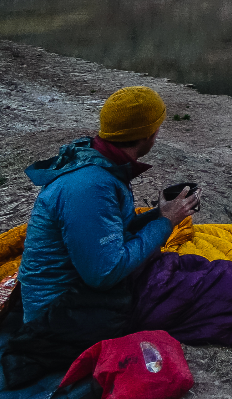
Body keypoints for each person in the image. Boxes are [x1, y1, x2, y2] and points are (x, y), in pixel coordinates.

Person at [17, 85, 202, 324]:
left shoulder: (102, 164)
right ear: (148, 134)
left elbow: (109, 230)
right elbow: (104, 273)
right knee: (209, 289)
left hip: (76, 294)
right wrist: (165, 223)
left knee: (196, 274)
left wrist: (160, 214)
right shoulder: (88, 185)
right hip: (58, 313)